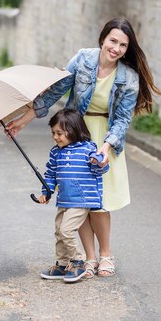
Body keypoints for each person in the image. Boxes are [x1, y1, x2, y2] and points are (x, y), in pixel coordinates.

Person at [7, 17, 161, 278]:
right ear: (103, 38)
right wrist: (22, 121)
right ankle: (88, 258)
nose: (116, 48)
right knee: (78, 197)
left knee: (101, 202)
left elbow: (123, 119)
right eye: (113, 41)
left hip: (106, 137)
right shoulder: (82, 59)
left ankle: (105, 255)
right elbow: (55, 91)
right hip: (77, 134)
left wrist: (106, 147)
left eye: (123, 45)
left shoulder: (129, 77)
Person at [37, 109, 109, 283]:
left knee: (66, 230)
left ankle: (78, 262)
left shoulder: (88, 148)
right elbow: (50, 174)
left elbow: (101, 169)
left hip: (81, 200)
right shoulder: (56, 152)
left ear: (74, 130)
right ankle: (62, 264)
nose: (55, 137)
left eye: (59, 133)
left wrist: (98, 162)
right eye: (53, 133)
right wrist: (46, 192)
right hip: (64, 200)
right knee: (59, 232)